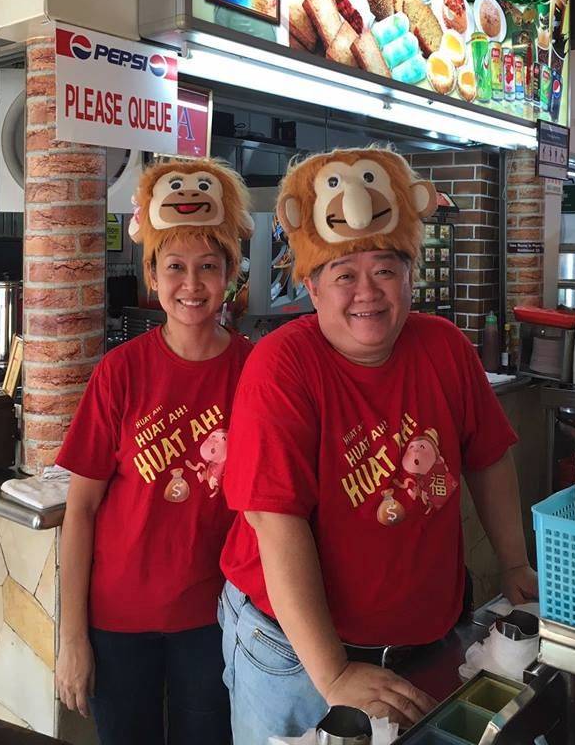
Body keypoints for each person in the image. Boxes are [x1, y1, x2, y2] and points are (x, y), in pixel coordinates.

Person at [218, 146, 538, 745]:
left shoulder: (444, 347)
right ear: (312, 287)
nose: (367, 291)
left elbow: (488, 456)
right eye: (344, 274)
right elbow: (275, 523)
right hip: (297, 655)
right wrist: (333, 673)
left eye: (385, 270)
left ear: (410, 276)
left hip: (430, 643)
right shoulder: (281, 365)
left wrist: (515, 563)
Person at [55, 157, 254, 745]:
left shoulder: (255, 370)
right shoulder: (120, 372)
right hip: (117, 622)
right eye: (175, 267)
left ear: (230, 274)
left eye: (208, 266)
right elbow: (80, 511)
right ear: (152, 274)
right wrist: (72, 638)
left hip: (214, 617)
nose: (191, 284)